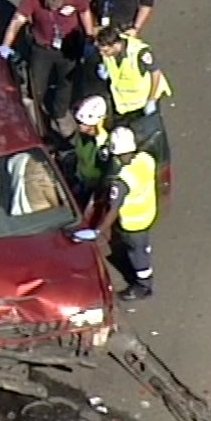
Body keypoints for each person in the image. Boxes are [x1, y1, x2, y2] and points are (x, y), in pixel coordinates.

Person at [0, 0, 96, 138]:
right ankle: (37, 119)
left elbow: (85, 12)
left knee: (67, 83)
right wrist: (6, 45)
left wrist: (89, 37)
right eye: (49, 5)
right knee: (36, 85)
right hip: (43, 48)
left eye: (56, 6)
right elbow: (17, 21)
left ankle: (60, 114)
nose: (52, 9)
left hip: (69, 47)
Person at [82, 127, 157, 301]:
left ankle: (143, 286)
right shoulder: (146, 160)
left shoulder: (122, 179)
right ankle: (142, 273)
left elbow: (113, 210)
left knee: (137, 253)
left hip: (133, 222)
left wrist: (98, 231)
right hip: (148, 213)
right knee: (141, 247)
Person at [94, 26, 172, 128]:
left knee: (149, 132)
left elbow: (155, 73)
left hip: (144, 101)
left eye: (105, 51)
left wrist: (151, 100)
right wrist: (105, 69)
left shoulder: (140, 53)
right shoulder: (110, 48)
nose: (102, 54)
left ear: (116, 45)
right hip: (124, 104)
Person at [71, 95, 110, 207]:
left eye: (81, 123)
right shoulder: (83, 135)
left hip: (94, 186)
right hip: (82, 178)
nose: (78, 125)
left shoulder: (102, 144)